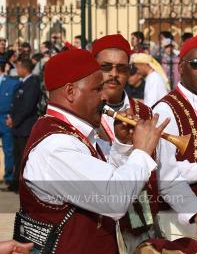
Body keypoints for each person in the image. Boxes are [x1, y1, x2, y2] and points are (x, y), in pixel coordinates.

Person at [14, 49, 170, 254]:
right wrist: (141, 151)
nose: (105, 95)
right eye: (97, 89)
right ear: (71, 92)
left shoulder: (73, 135)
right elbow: (114, 199)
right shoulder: (54, 147)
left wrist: (123, 147)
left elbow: (109, 180)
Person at [92, 34, 197, 253]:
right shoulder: (78, 114)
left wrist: (195, 212)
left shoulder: (146, 113)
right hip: (95, 226)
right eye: (106, 67)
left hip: (140, 225)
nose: (114, 74)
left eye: (122, 68)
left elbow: (167, 176)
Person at [153, 33, 197, 241]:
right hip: (185, 223)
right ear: (180, 67)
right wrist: (195, 212)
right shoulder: (166, 110)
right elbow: (166, 175)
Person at [6, 58, 41, 192]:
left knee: (23, 158)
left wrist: (15, 120)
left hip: (25, 127)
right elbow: (16, 103)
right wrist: (11, 117)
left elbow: (27, 107)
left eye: (18, 67)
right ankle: (15, 184)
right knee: (17, 156)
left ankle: (22, 186)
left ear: (24, 68)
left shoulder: (32, 84)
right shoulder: (23, 83)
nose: (17, 70)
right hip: (18, 127)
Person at [0, 57, 20, 186]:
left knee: (8, 149)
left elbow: (17, 101)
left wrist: (12, 116)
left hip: (5, 118)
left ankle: (9, 177)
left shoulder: (12, 82)